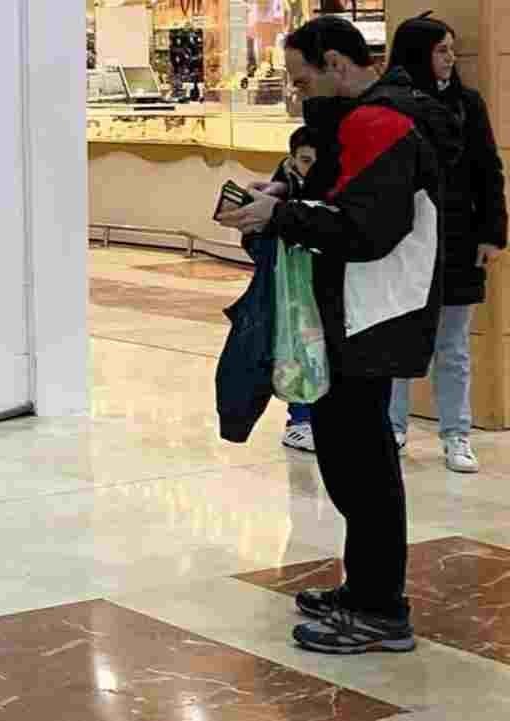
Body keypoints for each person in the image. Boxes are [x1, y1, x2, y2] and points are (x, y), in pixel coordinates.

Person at [219, 16, 460, 654]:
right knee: (352, 459)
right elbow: (346, 199)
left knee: (362, 465)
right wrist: (287, 192)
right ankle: (365, 590)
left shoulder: (378, 122)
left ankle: (381, 609)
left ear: (335, 62)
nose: (298, 95)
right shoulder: (368, 119)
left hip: (369, 314)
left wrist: (283, 214)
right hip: (364, 312)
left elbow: (364, 229)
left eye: (302, 80)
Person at [385, 14, 507, 472]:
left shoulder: (467, 105)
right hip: (405, 243)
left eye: (453, 50)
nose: (451, 59)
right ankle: (392, 427)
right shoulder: (392, 105)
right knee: (398, 340)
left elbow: (487, 172)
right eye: (442, 50)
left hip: (458, 242)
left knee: (453, 346)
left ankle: (456, 433)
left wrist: (494, 232)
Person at [278, 127, 321, 454]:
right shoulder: (282, 187)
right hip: (292, 282)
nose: (311, 168)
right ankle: (298, 419)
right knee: (297, 346)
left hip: (322, 278)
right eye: (305, 160)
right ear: (293, 159)